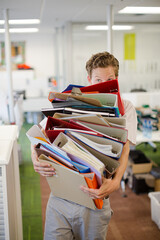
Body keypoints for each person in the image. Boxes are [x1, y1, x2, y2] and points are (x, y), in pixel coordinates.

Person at [31, 51, 137, 240]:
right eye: (97, 79)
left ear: (116, 79)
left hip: (94, 196)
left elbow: (125, 149)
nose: (103, 84)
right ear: (88, 79)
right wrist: (35, 159)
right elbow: (37, 136)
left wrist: (114, 183)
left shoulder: (126, 107)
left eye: (109, 79)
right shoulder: (69, 101)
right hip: (61, 195)